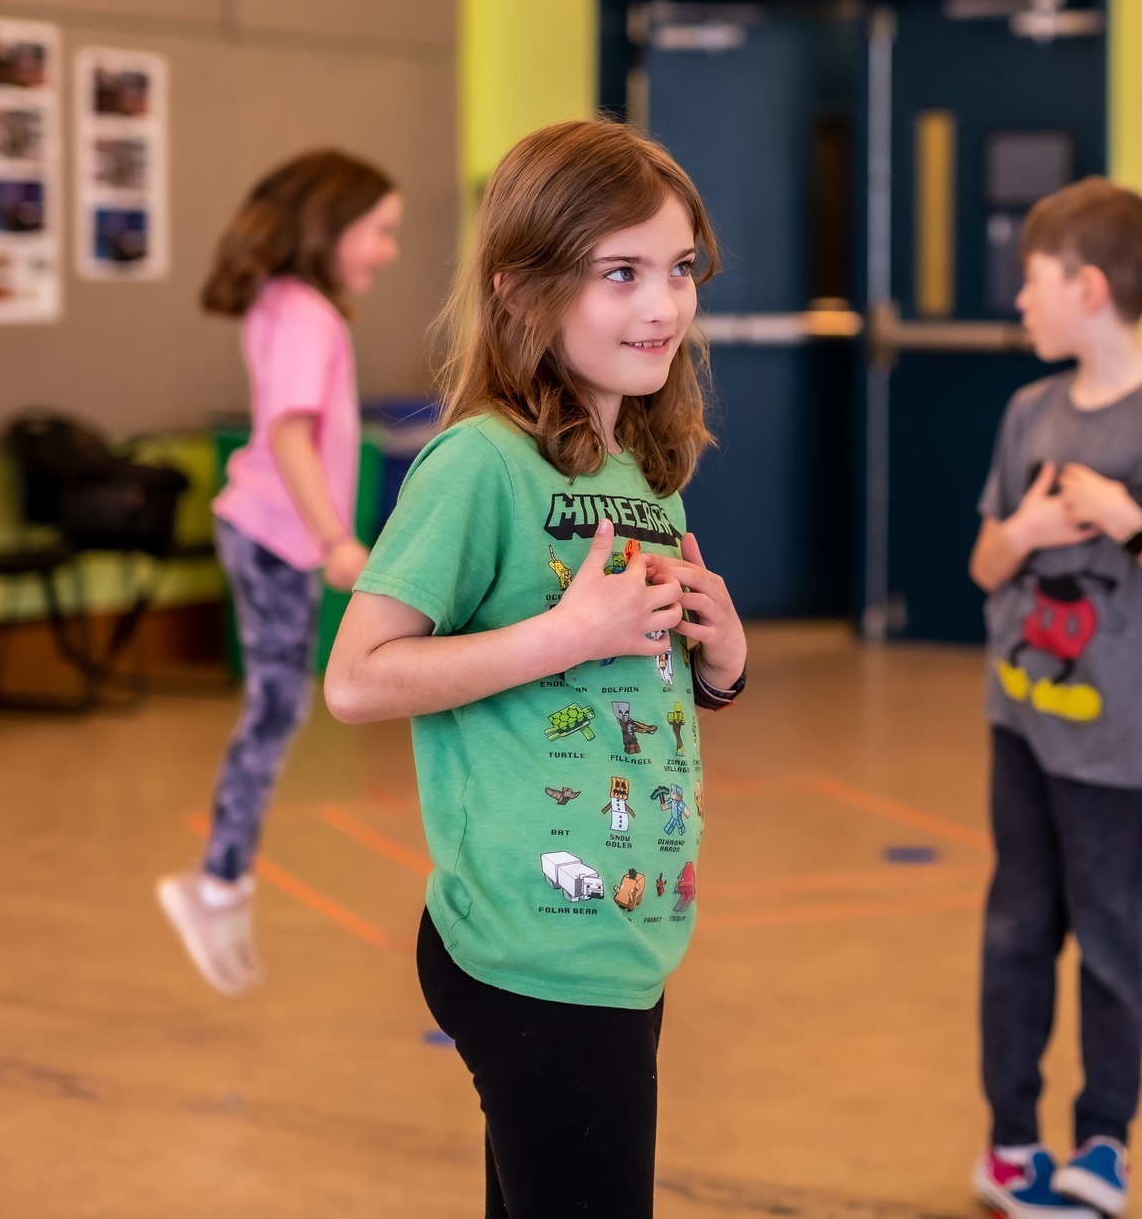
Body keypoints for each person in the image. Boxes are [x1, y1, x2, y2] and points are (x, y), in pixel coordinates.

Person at [322, 118, 748, 1218]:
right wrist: (564, 634)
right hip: (531, 950)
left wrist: (719, 663)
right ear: (521, 288)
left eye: (679, 270)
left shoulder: (642, 471)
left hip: (625, 935)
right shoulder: (478, 463)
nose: (662, 305)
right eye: (621, 273)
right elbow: (358, 677)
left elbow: (628, 689)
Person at [966, 178, 1142, 1217]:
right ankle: (1007, 1139)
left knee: (1113, 942)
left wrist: (1128, 524)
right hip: (1020, 723)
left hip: (1119, 742)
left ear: (1086, 288)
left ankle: (1103, 1141)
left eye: (1030, 283)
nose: (1019, 304)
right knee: (1016, 932)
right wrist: (1024, 536)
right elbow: (986, 565)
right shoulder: (1027, 412)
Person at [156, 150, 402, 996]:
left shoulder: (285, 303)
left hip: (263, 532)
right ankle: (218, 881)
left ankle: (221, 881)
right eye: (379, 232)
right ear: (330, 227)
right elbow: (290, 433)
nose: (387, 250)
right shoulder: (306, 315)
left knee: (279, 704)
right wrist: (336, 538)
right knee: (277, 706)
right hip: (275, 535)